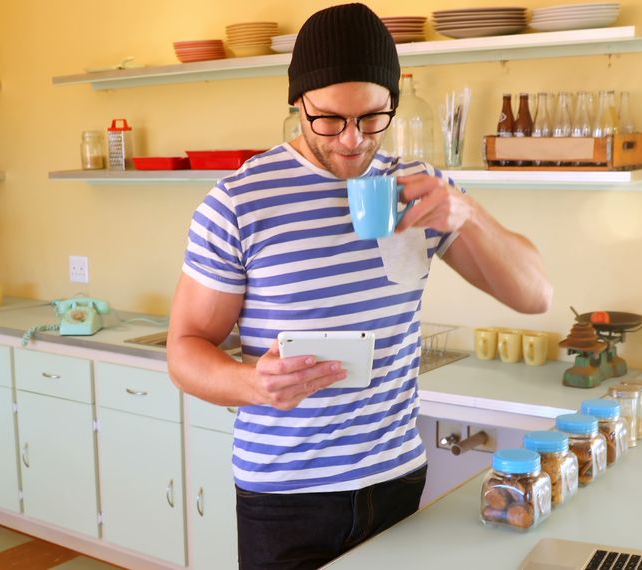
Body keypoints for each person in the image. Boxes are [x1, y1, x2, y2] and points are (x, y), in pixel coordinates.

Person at [166, 3, 552, 568]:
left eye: (372, 118)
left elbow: (535, 295)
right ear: (298, 102)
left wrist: (467, 213)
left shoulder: (418, 189)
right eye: (329, 119)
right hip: (285, 496)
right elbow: (184, 351)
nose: (351, 140)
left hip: (396, 478)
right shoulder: (238, 203)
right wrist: (253, 384)